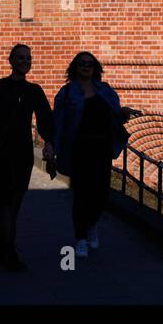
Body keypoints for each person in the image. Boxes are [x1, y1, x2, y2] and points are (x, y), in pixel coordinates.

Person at [0, 44, 54, 271]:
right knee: (7, 203)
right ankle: (9, 252)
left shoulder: (34, 91)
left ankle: (0, 245)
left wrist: (49, 144)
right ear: (11, 60)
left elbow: (45, 119)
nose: (25, 61)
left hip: (22, 154)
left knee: (13, 205)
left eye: (28, 58)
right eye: (20, 58)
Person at [51, 51, 140, 258]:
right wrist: (53, 147)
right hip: (80, 149)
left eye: (90, 64)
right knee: (81, 194)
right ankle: (81, 237)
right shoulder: (66, 93)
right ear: (75, 67)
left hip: (101, 148)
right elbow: (59, 123)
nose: (86, 66)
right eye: (82, 63)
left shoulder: (105, 91)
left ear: (95, 68)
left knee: (101, 193)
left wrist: (123, 113)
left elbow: (114, 115)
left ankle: (91, 225)